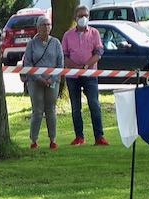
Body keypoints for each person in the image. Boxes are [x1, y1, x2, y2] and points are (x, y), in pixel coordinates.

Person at [62, 5, 108, 146]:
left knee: (94, 104)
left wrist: (87, 65)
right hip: (72, 76)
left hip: (90, 75)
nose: (83, 18)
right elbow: (64, 55)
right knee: (76, 107)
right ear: (75, 18)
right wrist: (75, 67)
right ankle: (79, 137)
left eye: (86, 15)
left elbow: (99, 52)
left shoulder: (94, 33)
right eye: (80, 15)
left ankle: (99, 137)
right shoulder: (67, 35)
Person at [23, 16, 63, 150]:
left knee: (50, 110)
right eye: (43, 25)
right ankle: (33, 140)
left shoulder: (56, 43)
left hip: (52, 81)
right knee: (37, 110)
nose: (46, 27)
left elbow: (60, 64)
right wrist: (39, 78)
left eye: (48, 24)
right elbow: (27, 64)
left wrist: (52, 79)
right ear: (38, 27)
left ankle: (53, 139)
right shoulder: (31, 44)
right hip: (35, 82)